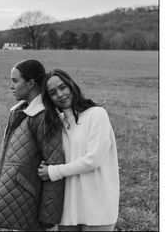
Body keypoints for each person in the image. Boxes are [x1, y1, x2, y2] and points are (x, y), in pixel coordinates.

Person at [38, 69, 119, 232]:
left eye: (62, 87)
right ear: (49, 99)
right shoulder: (56, 124)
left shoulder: (96, 114)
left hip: (98, 207)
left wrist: (54, 171)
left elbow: (93, 160)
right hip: (68, 209)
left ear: (71, 85)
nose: (60, 95)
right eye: (53, 93)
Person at [0, 60, 65, 231]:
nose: (11, 86)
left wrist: (48, 218)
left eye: (15, 81)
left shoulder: (43, 116)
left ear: (31, 83)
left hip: (32, 205)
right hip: (21, 202)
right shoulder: (21, 111)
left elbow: (54, 166)